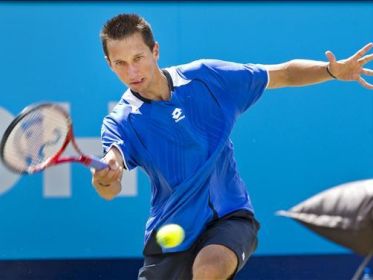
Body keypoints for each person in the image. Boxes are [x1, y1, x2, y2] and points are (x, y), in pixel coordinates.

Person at [91, 13, 373, 280]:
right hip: (170, 232)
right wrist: (105, 179)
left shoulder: (207, 78)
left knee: (209, 270)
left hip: (230, 217)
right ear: (109, 64)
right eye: (120, 63)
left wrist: (331, 71)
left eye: (138, 58)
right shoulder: (121, 121)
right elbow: (110, 185)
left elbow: (283, 74)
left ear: (155, 51)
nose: (132, 71)